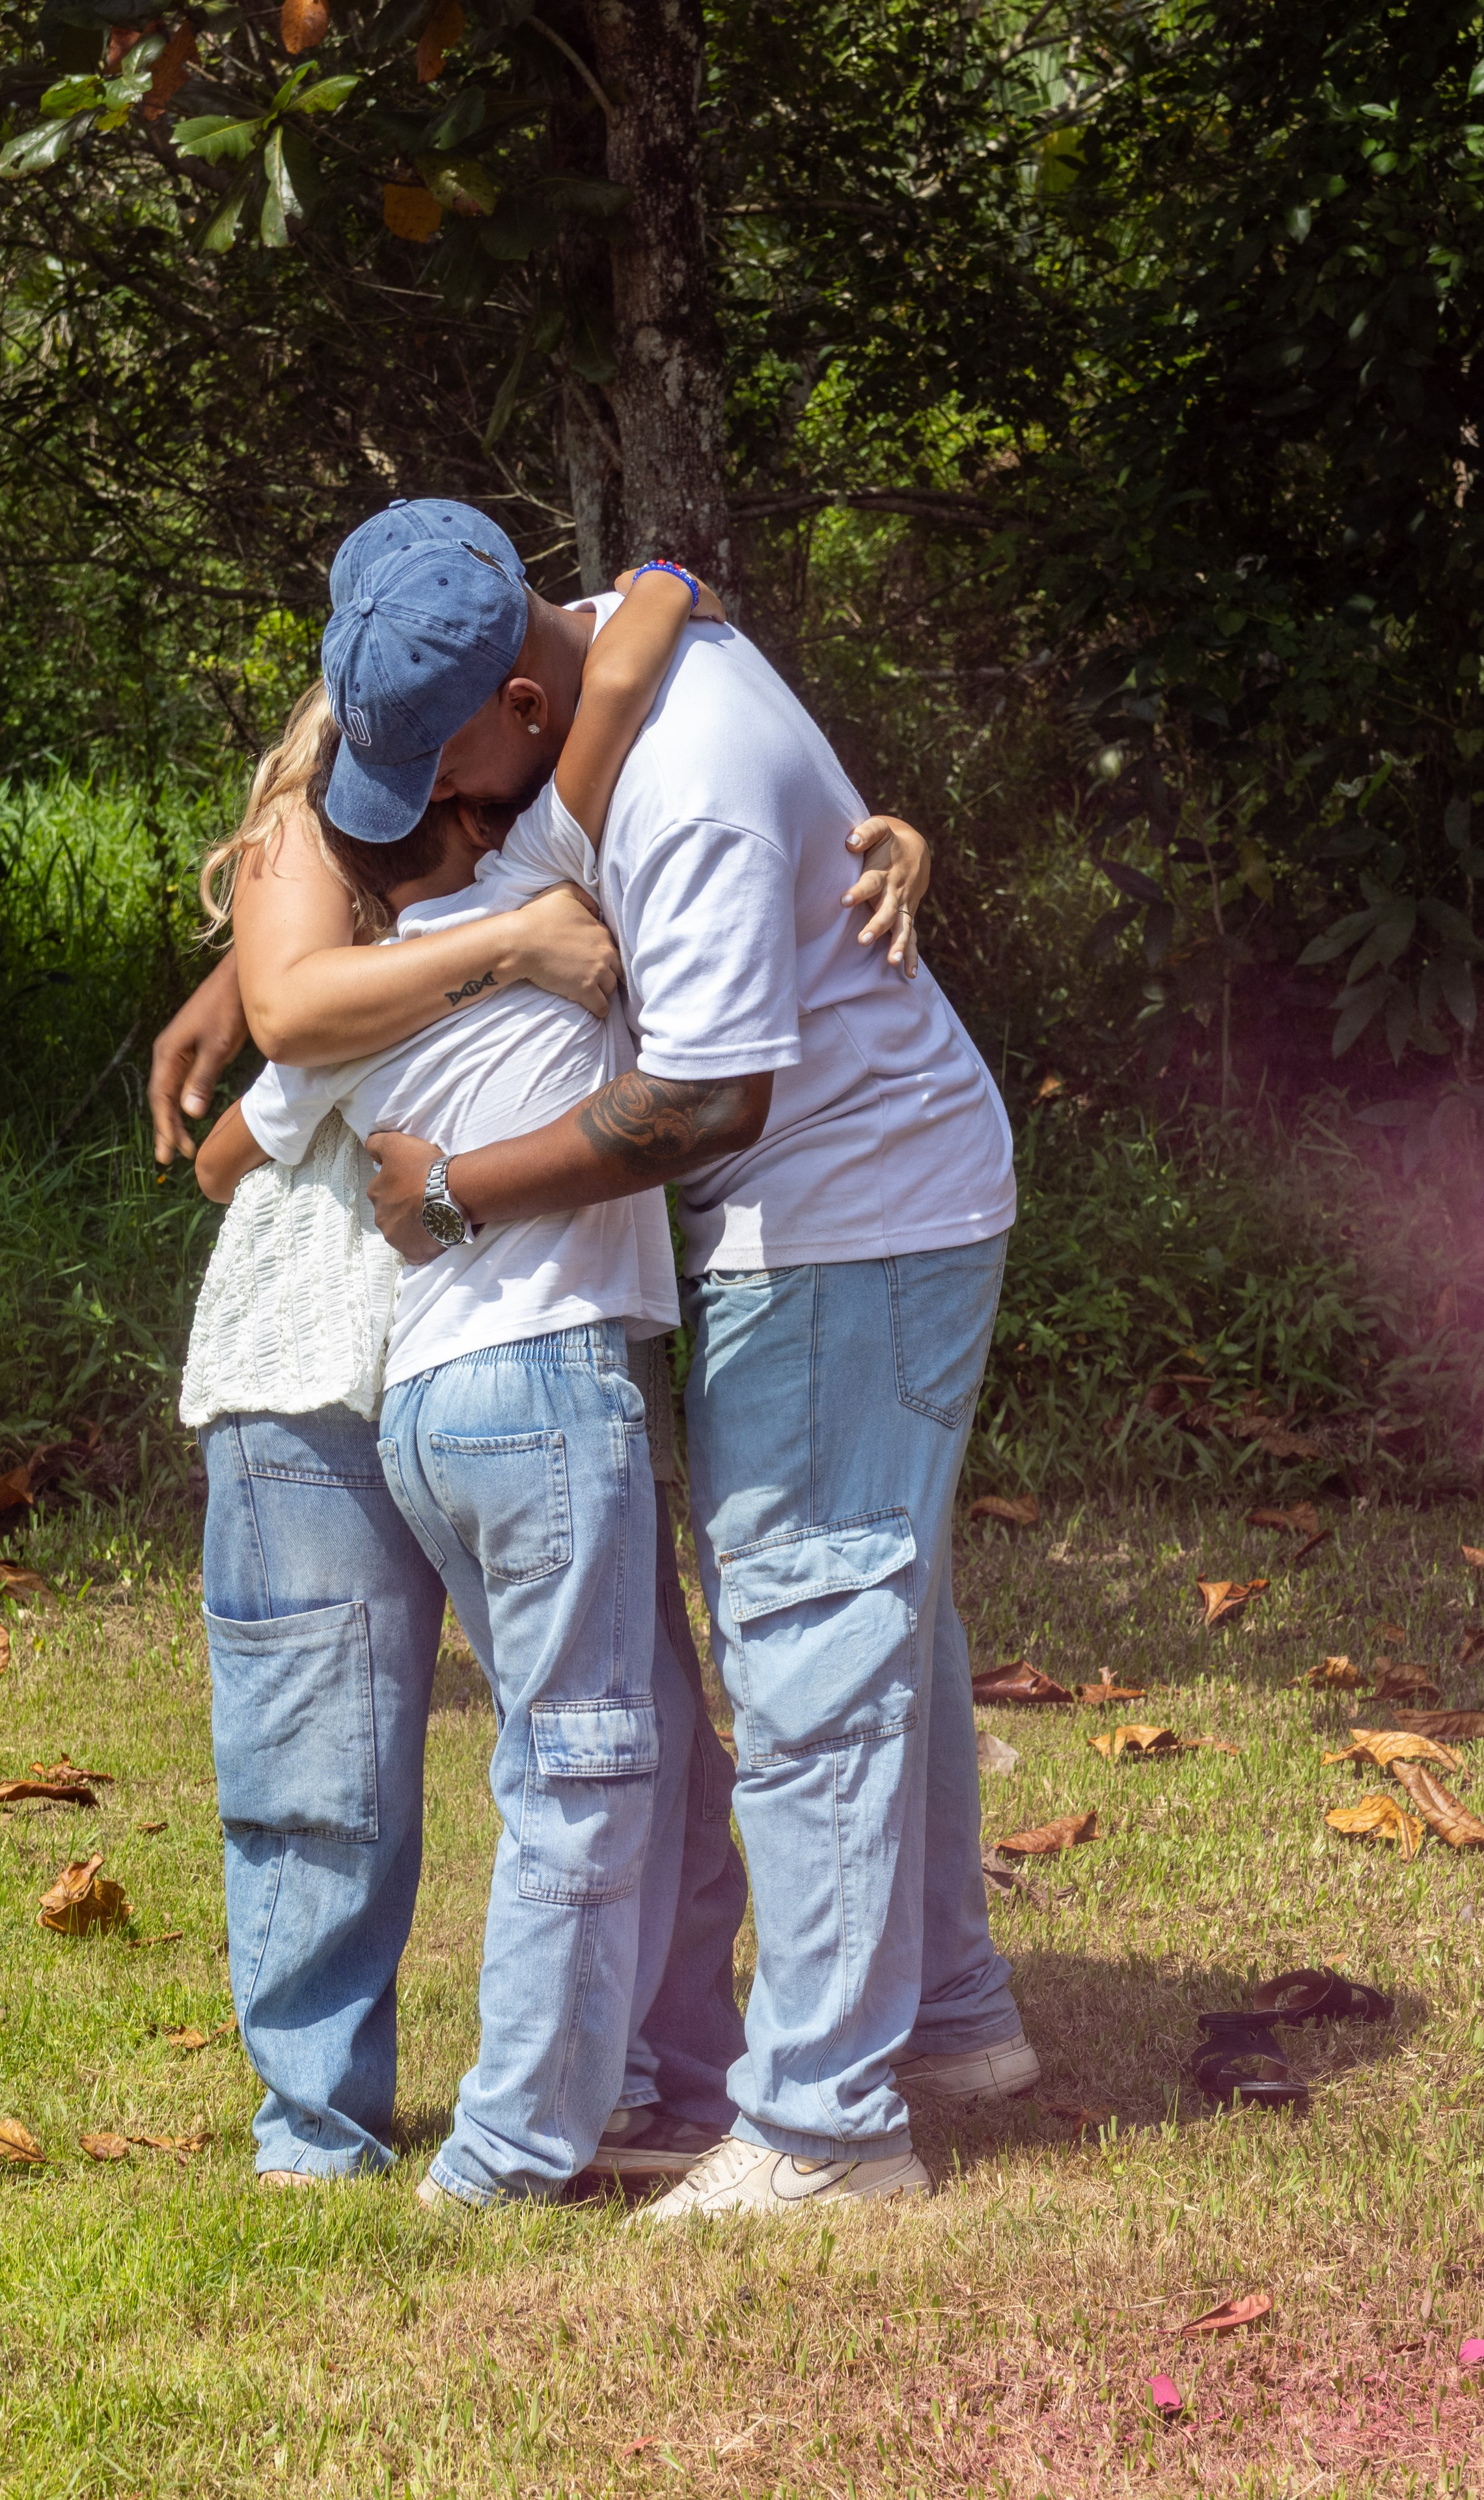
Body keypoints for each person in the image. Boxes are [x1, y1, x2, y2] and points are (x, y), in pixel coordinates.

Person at [354, 551, 1040, 2217]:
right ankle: (948, 2017)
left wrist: (448, 1194)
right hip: (858, 1202)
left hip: (840, 1220)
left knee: (812, 1624)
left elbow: (700, 1104)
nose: (437, 811)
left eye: (442, 774)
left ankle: (820, 2127)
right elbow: (663, 589)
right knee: (879, 1608)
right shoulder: (588, 669)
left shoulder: (693, 786)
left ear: (521, 704)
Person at [195, 554, 732, 2204]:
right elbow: (253, 1097)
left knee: (634, 1750)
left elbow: (631, 639)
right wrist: (500, 957)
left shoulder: (520, 836)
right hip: (335, 1363)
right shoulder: (409, 906)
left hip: (475, 1360)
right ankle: (324, 2134)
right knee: (324, 1776)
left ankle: (659, 2079)